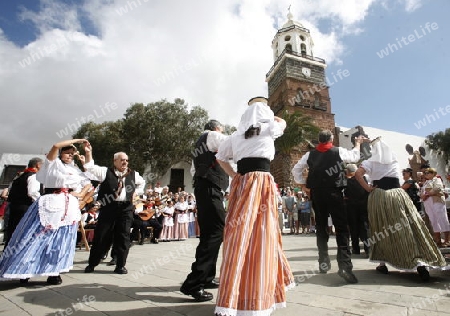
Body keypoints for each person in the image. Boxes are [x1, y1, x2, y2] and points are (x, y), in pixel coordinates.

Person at [213, 96, 294, 316]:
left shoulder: (235, 135)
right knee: (263, 235)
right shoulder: (270, 128)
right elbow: (283, 123)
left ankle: (234, 297)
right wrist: (268, 112)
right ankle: (257, 297)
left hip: (242, 183)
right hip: (261, 182)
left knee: (238, 235)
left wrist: (234, 175)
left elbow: (220, 157)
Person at [0, 139, 92, 285]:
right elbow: (55, 146)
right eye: (67, 153)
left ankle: (54, 272)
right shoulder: (52, 164)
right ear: (61, 153)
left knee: (61, 240)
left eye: (72, 154)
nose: (69, 156)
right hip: (50, 203)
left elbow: (88, 182)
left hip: (68, 206)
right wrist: (78, 140)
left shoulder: (75, 170)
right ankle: (24, 270)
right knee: (35, 237)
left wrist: (81, 196)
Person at [355, 138, 447, 281]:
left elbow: (357, 174)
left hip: (379, 196)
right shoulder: (394, 161)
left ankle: (382, 263)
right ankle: (420, 262)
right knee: (410, 226)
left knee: (380, 228)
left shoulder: (370, 162)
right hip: (398, 194)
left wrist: (368, 188)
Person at [292, 129, 366, 284]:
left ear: (319, 140)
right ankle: (345, 266)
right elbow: (355, 156)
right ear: (331, 139)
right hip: (334, 192)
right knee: (341, 228)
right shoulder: (337, 151)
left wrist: (303, 184)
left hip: (317, 194)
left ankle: (323, 262)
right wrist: (357, 143)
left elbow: (296, 169)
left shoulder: (309, 155)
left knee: (321, 227)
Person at [180, 119, 229, 302]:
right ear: (218, 128)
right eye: (222, 129)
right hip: (210, 190)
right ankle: (194, 283)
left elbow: (195, 171)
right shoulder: (213, 135)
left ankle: (207, 277)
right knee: (216, 232)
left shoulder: (200, 147)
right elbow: (232, 145)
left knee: (211, 234)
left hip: (205, 189)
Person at [83, 146, 145, 275]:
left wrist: (136, 192)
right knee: (101, 235)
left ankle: (120, 265)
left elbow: (142, 184)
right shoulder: (105, 172)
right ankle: (92, 263)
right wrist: (89, 153)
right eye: (122, 160)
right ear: (115, 161)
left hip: (126, 209)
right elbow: (90, 167)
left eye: (127, 160)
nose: (125, 162)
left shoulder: (134, 174)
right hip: (108, 207)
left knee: (123, 237)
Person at [4, 157, 43, 247]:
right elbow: (32, 192)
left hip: (14, 207)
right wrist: (42, 202)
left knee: (13, 231)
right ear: (38, 165)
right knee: (23, 231)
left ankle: (8, 254)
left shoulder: (19, 176)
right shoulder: (33, 176)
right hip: (25, 207)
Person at [343, 163, 369, 256]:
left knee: (354, 228)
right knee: (365, 227)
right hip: (364, 206)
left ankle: (356, 248)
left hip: (352, 208)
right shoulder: (364, 179)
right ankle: (368, 249)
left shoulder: (347, 182)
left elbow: (345, 194)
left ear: (348, 171)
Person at [420, 168, 450, 247]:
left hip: (437, 202)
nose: (426, 174)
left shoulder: (437, 179)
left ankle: (447, 240)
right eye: (425, 173)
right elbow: (421, 193)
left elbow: (437, 188)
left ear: (433, 173)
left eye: (428, 172)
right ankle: (438, 240)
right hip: (428, 204)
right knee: (433, 221)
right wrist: (422, 196)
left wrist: (427, 194)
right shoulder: (426, 182)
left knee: (442, 219)